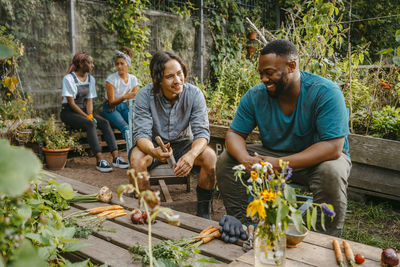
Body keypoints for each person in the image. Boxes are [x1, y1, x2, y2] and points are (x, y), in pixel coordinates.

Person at [216, 39, 351, 238]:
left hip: (317, 161)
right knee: (227, 161)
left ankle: (322, 240)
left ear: (292, 65)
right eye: (261, 73)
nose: (263, 79)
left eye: (269, 73)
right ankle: (243, 226)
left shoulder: (325, 92)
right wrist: (246, 160)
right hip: (274, 156)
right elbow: (234, 134)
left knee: (332, 171)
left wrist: (281, 164)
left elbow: (333, 147)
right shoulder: (255, 96)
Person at [129, 51, 217, 219]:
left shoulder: (194, 94)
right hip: (154, 145)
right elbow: (141, 134)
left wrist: (191, 155)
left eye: (179, 73)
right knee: (137, 159)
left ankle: (203, 212)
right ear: (158, 80)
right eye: (170, 76)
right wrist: (154, 151)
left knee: (210, 157)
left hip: (184, 144)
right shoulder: (145, 96)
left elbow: (202, 133)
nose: (177, 80)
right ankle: (147, 211)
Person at [60, 52, 129, 173]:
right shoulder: (69, 78)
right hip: (69, 112)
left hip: (83, 110)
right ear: (81, 63)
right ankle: (99, 160)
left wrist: (90, 114)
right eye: (90, 62)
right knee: (90, 124)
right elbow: (71, 103)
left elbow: (89, 100)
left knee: (104, 122)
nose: (92, 65)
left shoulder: (91, 79)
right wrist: (87, 117)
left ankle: (116, 157)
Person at [103, 47, 138, 140]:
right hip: (110, 108)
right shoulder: (111, 79)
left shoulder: (133, 79)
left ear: (128, 64)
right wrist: (124, 97)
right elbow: (111, 102)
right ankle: (130, 151)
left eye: (122, 63)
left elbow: (134, 97)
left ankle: (142, 149)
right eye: (117, 64)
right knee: (125, 127)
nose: (119, 66)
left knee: (135, 126)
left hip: (124, 107)